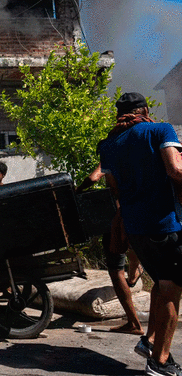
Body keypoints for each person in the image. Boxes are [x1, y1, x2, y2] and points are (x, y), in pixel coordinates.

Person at [98, 92, 182, 376]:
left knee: (161, 281)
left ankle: (148, 341)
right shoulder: (160, 129)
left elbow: (114, 189)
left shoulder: (108, 145)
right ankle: (160, 362)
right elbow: (175, 169)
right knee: (172, 290)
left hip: (135, 229)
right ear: (145, 110)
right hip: (165, 224)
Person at [77, 165, 144, 335]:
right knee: (134, 249)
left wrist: (78, 190)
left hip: (117, 216)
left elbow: (93, 178)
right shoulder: (133, 155)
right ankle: (135, 271)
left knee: (115, 272)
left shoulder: (111, 154)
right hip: (136, 212)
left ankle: (133, 323)